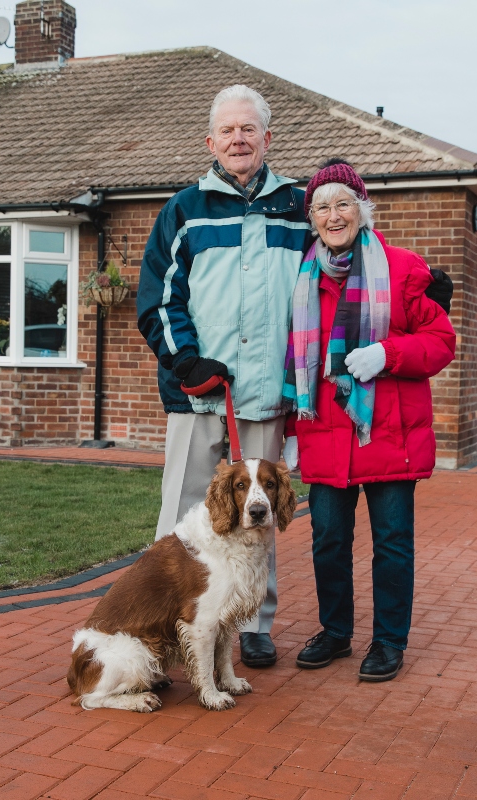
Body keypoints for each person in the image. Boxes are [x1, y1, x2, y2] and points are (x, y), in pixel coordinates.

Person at [136, 85, 310, 668]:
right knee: (183, 517)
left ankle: (252, 624)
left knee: (257, 517)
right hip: (196, 393)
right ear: (210, 142)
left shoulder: (298, 207)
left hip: (263, 397)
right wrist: (185, 359)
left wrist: (415, 285)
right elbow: (160, 297)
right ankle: (159, 623)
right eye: (227, 131)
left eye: (249, 128)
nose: (238, 139)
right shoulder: (184, 210)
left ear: (267, 137)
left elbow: (346, 260)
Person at [284, 158, 456, 682]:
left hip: (388, 433)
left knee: (392, 544)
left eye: (343, 204)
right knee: (328, 542)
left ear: (362, 210)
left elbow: (440, 341)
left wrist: (387, 353)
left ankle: (387, 642)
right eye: (322, 207)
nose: (333, 216)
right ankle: (336, 633)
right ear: (311, 218)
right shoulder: (301, 279)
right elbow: (290, 358)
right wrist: (293, 430)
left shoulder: (403, 268)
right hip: (324, 433)